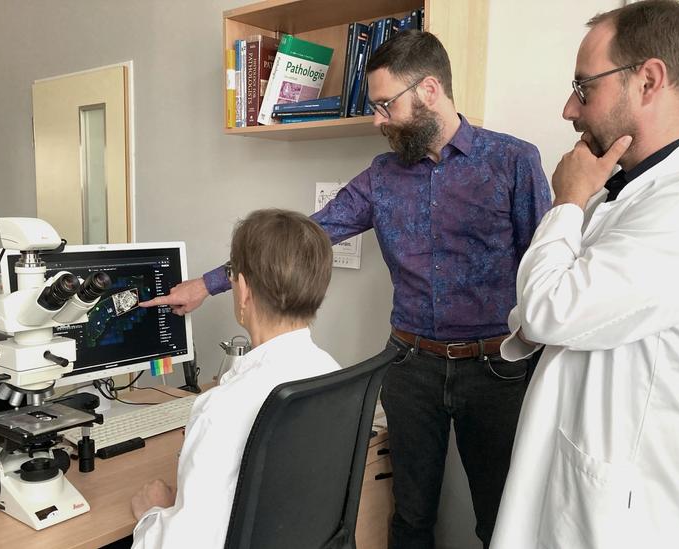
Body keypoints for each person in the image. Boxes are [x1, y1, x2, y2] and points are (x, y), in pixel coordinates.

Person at [142, 31, 550, 548]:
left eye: (385, 105)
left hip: (496, 369)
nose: (378, 120)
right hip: (409, 367)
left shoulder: (512, 161)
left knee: (502, 521)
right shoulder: (381, 177)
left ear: (429, 90)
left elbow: (545, 269)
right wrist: (208, 283)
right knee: (411, 516)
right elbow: (304, 236)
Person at [490, 2, 679, 548]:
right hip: (568, 480)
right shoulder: (621, 192)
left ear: (648, 80)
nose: (567, 110)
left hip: (619, 517)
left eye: (584, 87)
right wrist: (547, 303)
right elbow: (539, 315)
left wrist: (567, 200)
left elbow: (546, 309)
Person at [130, 209, 340, 548]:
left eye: (231, 275)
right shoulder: (332, 372)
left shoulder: (221, 409)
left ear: (242, 291)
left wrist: (153, 512)